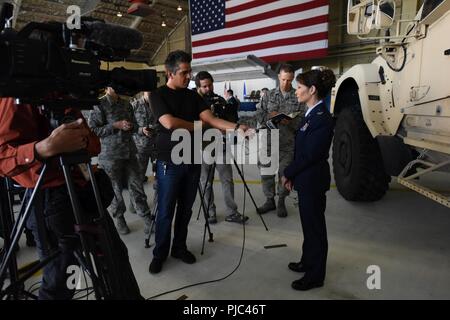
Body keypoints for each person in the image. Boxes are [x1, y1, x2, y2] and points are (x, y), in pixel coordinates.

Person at [0, 98, 142, 299]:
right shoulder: (16, 95)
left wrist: (82, 139)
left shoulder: (63, 91)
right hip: (51, 197)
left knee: (115, 258)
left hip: (84, 187)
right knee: (64, 277)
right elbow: (3, 158)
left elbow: (93, 145)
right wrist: (44, 148)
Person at [149, 50, 251, 274]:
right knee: (166, 211)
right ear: (170, 72)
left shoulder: (193, 96)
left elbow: (212, 119)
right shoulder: (157, 95)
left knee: (185, 210)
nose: (188, 77)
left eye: (189, 72)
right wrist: (199, 125)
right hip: (169, 163)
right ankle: (159, 253)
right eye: (184, 73)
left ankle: (179, 248)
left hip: (192, 160)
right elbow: (169, 123)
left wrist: (236, 127)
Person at [281, 69, 336, 291]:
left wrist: (288, 172)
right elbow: (301, 150)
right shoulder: (311, 114)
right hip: (305, 179)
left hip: (313, 181)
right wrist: (294, 176)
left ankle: (315, 275)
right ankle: (307, 261)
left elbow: (310, 155)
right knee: (308, 225)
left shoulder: (322, 118)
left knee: (315, 229)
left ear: (312, 90)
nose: (296, 91)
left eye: (300, 87)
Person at [88, 87, 151, 236]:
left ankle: (146, 217)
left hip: (130, 152)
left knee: (137, 186)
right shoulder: (99, 105)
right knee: (115, 190)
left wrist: (138, 129)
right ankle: (119, 218)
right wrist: (115, 126)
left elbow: (133, 124)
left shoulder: (126, 104)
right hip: (111, 155)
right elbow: (93, 130)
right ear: (108, 87)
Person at [195, 71, 247, 224]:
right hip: (201, 147)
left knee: (227, 179)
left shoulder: (219, 100)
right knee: (205, 182)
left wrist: (226, 124)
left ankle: (232, 212)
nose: (208, 88)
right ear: (198, 86)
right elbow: (189, 126)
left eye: (210, 85)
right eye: (204, 86)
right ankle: (210, 212)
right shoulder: (191, 101)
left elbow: (228, 121)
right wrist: (208, 120)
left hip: (221, 145)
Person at [258, 64, 306, 218]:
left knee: (284, 173)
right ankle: (269, 200)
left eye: (290, 80)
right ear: (278, 76)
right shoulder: (268, 96)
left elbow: (303, 120)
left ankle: (281, 201)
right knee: (266, 172)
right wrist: (269, 116)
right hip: (269, 141)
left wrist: (290, 122)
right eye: (284, 79)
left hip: (287, 143)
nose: (286, 83)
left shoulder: (298, 96)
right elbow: (258, 115)